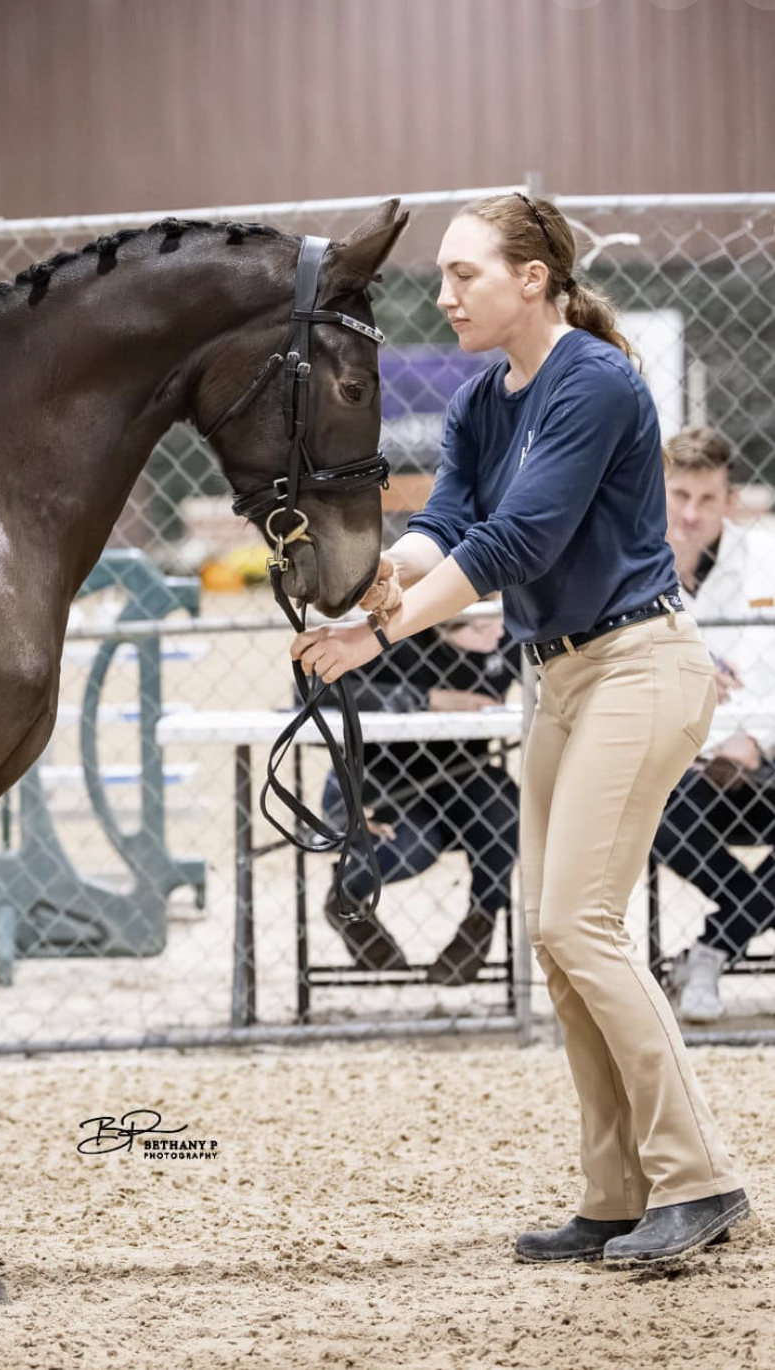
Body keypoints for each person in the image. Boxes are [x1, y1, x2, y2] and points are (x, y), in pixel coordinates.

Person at [290, 192, 748, 1267]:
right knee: (555, 935)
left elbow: (520, 537)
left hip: (638, 665)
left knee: (574, 923)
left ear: (530, 279)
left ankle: (699, 1178)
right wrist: (359, 587)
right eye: (443, 276)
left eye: (464, 274)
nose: (443, 293)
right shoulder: (481, 403)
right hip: (556, 682)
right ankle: (612, 1193)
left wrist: (382, 629)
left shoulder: (589, 380)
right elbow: (444, 526)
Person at [318, 605, 520, 986]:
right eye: (480, 628)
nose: (497, 635)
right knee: (414, 846)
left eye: (499, 620)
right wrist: (428, 700)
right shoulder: (391, 633)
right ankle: (347, 897)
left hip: (467, 769)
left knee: (503, 811)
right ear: (442, 622)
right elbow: (314, 693)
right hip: (387, 775)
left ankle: (480, 922)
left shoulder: (503, 632)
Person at [650, 426, 775, 1021]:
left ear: (730, 499)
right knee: (657, 818)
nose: (693, 513)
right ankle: (719, 946)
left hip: (762, 758)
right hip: (675, 769)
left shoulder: (766, 562)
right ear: (659, 492)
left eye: (707, 498)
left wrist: (753, 739)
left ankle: (709, 950)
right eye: (680, 496)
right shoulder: (629, 570)